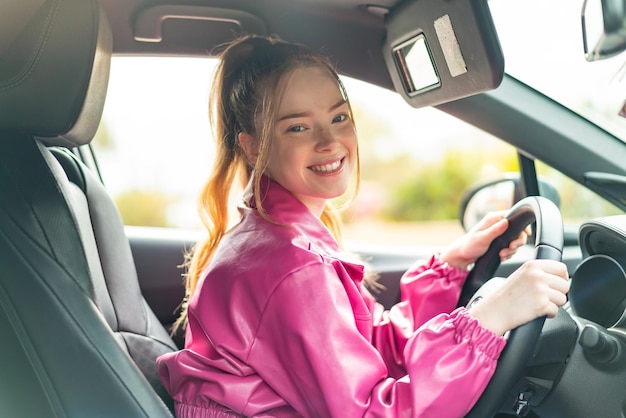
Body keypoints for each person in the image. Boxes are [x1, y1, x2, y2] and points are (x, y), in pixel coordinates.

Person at [156, 34, 570, 418]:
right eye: (298, 127)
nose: (329, 141)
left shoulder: (275, 238)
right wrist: (487, 322)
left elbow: (366, 351)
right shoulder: (290, 268)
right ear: (252, 145)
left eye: (338, 117)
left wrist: (450, 266)